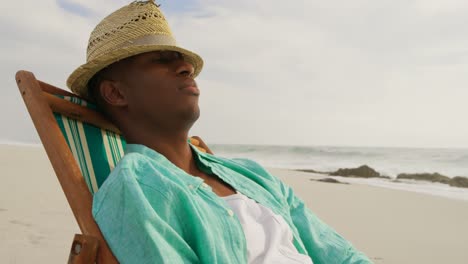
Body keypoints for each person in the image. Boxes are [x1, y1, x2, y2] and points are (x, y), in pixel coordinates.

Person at [67, 1, 371, 263]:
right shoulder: (133, 190)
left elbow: (338, 253)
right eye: (161, 60)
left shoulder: (253, 175)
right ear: (116, 94)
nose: (187, 67)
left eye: (183, 60)